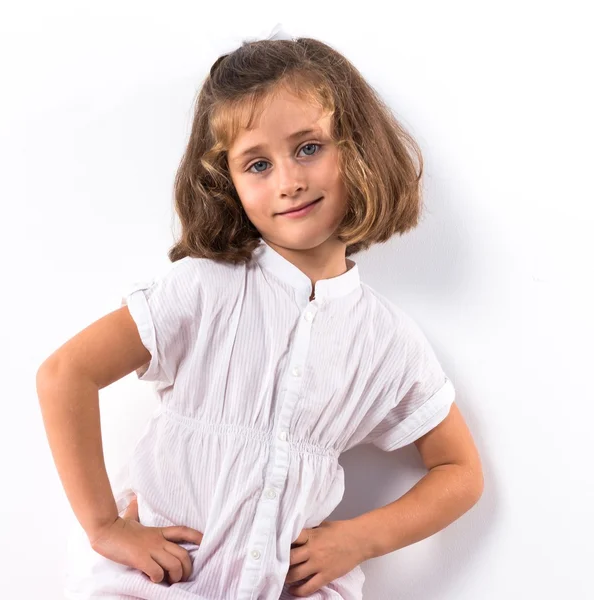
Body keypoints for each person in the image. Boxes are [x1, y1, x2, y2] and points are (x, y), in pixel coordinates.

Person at [36, 25, 484, 600]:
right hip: (159, 583)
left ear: (356, 149)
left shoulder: (387, 340)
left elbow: (460, 473)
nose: (290, 182)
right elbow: (64, 374)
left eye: (308, 148)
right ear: (230, 182)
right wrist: (103, 525)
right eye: (257, 165)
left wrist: (357, 540)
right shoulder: (202, 287)